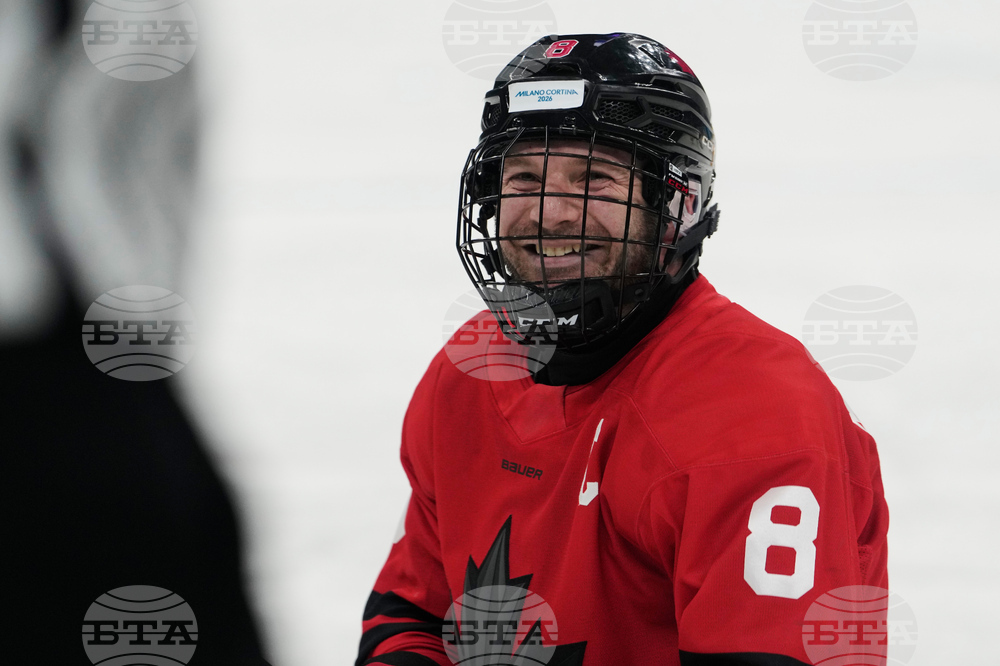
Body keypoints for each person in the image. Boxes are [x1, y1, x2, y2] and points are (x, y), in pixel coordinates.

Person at [356, 33, 888, 666]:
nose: (549, 214)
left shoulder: (757, 410)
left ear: (675, 206)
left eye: (595, 182)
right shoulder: (472, 366)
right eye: (523, 177)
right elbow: (412, 617)